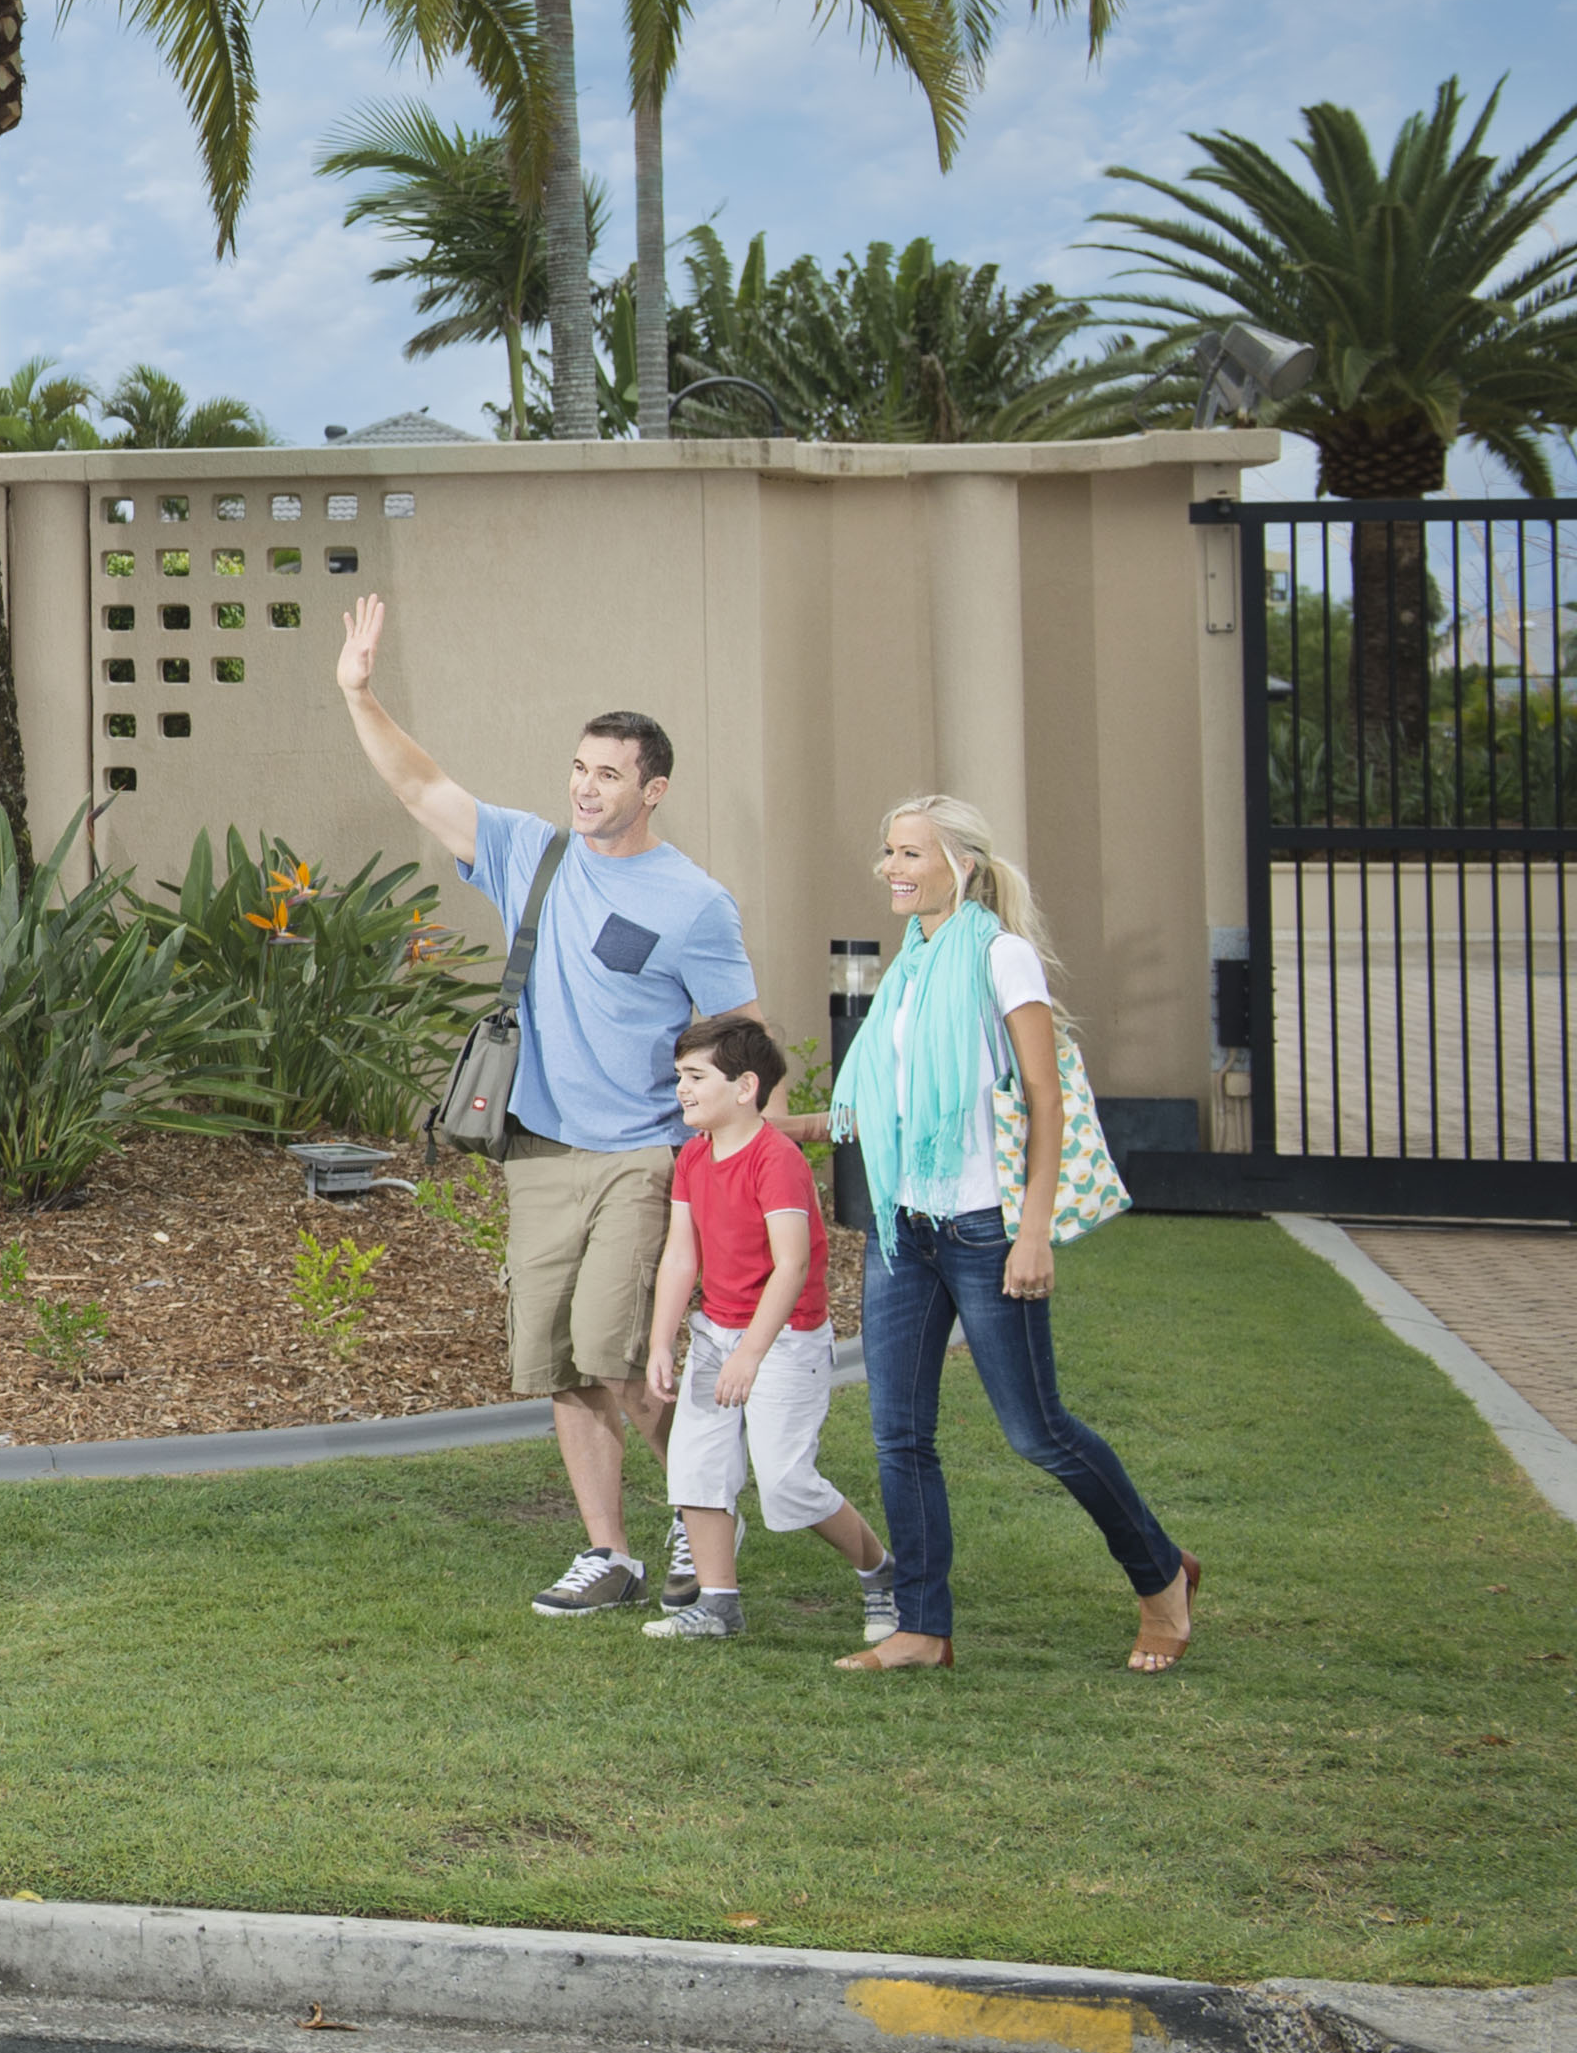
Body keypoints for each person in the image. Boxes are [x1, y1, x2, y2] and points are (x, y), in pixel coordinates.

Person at [333, 595, 757, 1619]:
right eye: (578, 767)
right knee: (562, 1361)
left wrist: (734, 1156)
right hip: (536, 1150)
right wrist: (356, 691)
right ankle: (606, 1552)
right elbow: (420, 787)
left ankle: (697, 1520)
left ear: (651, 789)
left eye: (607, 773)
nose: (584, 786)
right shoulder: (533, 852)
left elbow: (739, 1037)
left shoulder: (690, 900)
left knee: (623, 1353)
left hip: (641, 1156)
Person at [833, 795, 1196, 1676]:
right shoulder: (910, 967)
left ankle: (1161, 1579)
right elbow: (892, 1100)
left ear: (959, 860)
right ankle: (922, 1628)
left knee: (1037, 1432)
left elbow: (1047, 1099)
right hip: (905, 1227)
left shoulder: (1001, 956)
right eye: (888, 850)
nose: (891, 866)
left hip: (984, 1228)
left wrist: (1031, 1234)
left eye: (910, 852)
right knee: (898, 1435)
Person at [638, 1013, 893, 1646]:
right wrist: (661, 1340)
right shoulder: (694, 1158)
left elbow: (793, 1263)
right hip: (716, 1335)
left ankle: (882, 1573)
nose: (683, 1090)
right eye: (679, 1077)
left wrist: (751, 1354)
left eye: (696, 1076)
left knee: (788, 1486)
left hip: (783, 1342)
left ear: (746, 1086)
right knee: (695, 1470)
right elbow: (680, 1254)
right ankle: (719, 1605)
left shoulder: (776, 1162)